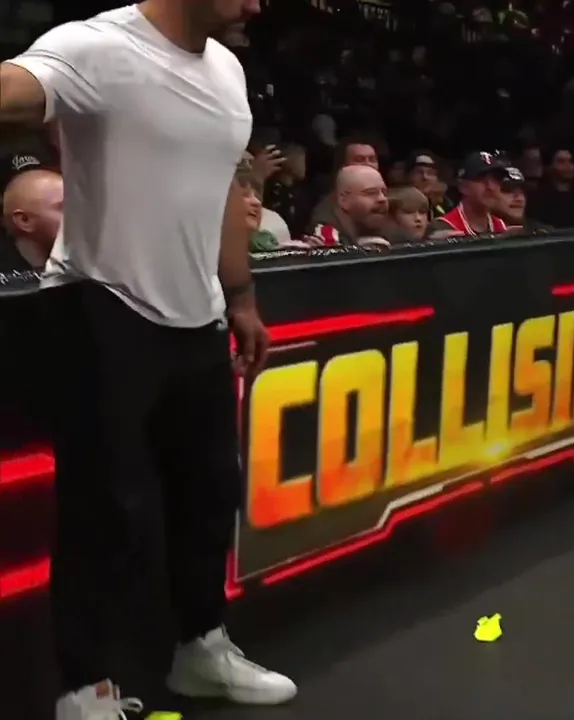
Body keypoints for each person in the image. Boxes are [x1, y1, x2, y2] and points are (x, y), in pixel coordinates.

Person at [0, 0, 298, 717]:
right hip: (103, 305)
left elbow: (223, 188)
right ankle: (85, 690)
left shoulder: (226, 69)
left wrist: (242, 296)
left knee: (209, 496)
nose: (255, 6)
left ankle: (201, 648)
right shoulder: (97, 47)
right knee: (102, 509)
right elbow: (13, 88)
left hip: (199, 315)